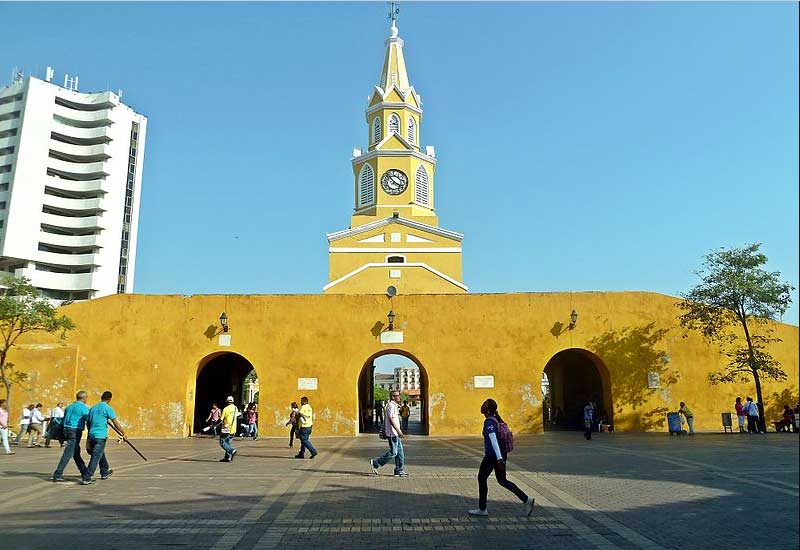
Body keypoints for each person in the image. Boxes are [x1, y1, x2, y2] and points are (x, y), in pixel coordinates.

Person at [468, 399, 534, 517]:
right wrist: (501, 458)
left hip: (492, 456)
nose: (481, 406)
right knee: (502, 480)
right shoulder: (495, 419)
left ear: (488, 409)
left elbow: (493, 440)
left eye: (484, 405)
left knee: (482, 478)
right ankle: (526, 499)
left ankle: (482, 509)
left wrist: (499, 459)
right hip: (500, 455)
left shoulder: (489, 422)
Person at [82, 391, 127, 485]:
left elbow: (88, 422)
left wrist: (90, 433)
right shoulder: (108, 408)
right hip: (100, 436)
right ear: (110, 399)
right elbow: (115, 423)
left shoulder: (93, 408)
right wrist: (123, 433)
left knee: (99, 453)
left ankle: (104, 471)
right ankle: (87, 477)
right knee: (96, 456)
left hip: (92, 435)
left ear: (101, 397)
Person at [52, 391, 90, 482]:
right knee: (68, 453)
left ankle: (84, 471)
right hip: (75, 430)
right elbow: (88, 419)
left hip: (66, 429)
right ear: (84, 398)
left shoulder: (69, 407)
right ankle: (57, 473)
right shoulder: (83, 408)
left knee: (76, 452)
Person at [369, 390, 407, 477]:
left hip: (395, 434)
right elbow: (391, 419)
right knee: (394, 452)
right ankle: (376, 463)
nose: (399, 397)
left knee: (400, 452)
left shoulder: (394, 406)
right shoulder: (390, 406)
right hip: (392, 434)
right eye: (397, 395)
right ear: (393, 397)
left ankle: (399, 470)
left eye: (399, 395)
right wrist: (399, 431)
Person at [219, 396, 238, 462]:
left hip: (226, 429)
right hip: (233, 428)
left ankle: (232, 451)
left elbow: (221, 419)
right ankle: (227, 457)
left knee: (222, 442)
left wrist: (215, 425)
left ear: (227, 401)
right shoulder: (235, 408)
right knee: (228, 443)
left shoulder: (225, 409)